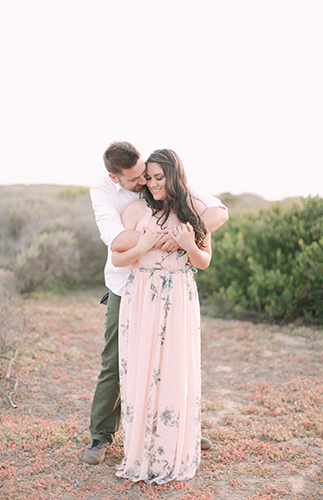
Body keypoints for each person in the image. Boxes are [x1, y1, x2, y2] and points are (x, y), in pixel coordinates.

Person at [85, 141, 228, 466]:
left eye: (148, 175)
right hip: (127, 287)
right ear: (114, 177)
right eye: (137, 179)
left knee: (175, 359)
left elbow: (219, 211)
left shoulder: (163, 176)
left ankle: (179, 429)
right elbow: (116, 240)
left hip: (175, 289)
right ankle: (101, 435)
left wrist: (186, 232)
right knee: (117, 361)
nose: (145, 183)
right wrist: (155, 238)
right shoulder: (105, 194)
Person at [112, 149, 212, 484]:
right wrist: (143, 246)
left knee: (172, 370)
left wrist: (188, 243)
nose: (153, 184)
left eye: (160, 177)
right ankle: (141, 449)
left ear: (173, 175)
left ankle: (171, 449)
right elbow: (119, 258)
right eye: (149, 178)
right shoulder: (135, 210)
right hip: (142, 294)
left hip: (179, 295)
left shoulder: (195, 211)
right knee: (142, 369)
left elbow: (205, 261)